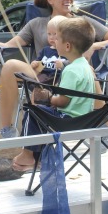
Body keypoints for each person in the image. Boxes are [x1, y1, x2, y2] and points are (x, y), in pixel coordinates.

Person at [0, 0, 108, 143]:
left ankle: (103, 123)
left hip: (74, 75)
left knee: (88, 70)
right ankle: (8, 129)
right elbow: (9, 45)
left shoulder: (80, 23)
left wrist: (94, 46)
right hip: (42, 75)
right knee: (9, 66)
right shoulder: (36, 24)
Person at [12, 17, 98, 171]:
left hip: (68, 119)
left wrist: (48, 97)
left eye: (56, 38)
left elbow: (63, 102)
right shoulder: (83, 64)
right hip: (83, 118)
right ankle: (38, 156)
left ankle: (28, 154)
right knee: (40, 115)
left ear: (67, 46)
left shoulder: (71, 70)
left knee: (32, 112)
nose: (53, 41)